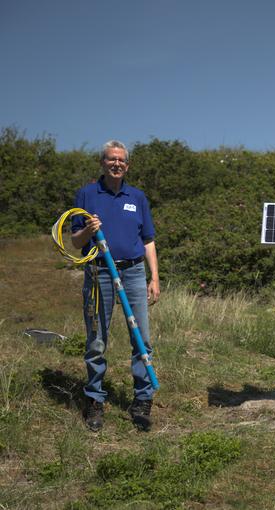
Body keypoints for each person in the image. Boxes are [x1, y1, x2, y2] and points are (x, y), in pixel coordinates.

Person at [71, 140, 160, 432]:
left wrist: (154, 277)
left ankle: (142, 399)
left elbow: (148, 240)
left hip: (133, 273)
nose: (117, 164)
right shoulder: (86, 194)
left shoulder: (138, 197)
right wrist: (88, 229)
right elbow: (75, 242)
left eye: (122, 160)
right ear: (102, 162)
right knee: (97, 340)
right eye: (111, 159)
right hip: (99, 273)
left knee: (141, 338)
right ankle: (95, 400)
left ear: (127, 165)